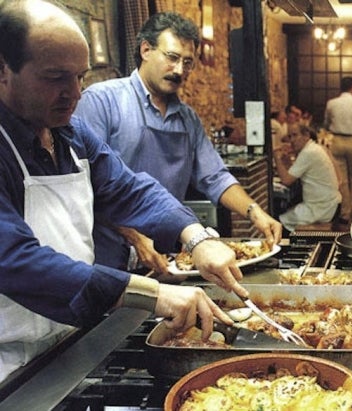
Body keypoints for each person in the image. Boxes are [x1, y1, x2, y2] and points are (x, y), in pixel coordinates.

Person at [0, 0, 244, 381]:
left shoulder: (71, 134)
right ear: (3, 70)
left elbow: (131, 189)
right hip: (8, 362)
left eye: (79, 77)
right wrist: (150, 294)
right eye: (55, 78)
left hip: (68, 340)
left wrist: (196, 238)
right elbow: (15, 260)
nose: (75, 93)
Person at [74, 12, 282, 276]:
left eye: (188, 62)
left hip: (165, 258)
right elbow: (86, 187)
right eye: (172, 58)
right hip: (105, 259)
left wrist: (254, 212)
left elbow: (215, 176)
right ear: (146, 50)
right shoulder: (101, 102)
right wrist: (134, 236)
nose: (179, 70)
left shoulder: (188, 119)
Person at [272, 124, 341, 233]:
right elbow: (293, 174)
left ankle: (289, 248)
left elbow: (286, 180)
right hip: (329, 203)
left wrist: (276, 156)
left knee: (277, 222)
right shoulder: (313, 148)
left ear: (306, 135)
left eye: (295, 135)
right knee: (288, 212)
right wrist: (286, 160)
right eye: (290, 137)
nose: (292, 140)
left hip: (321, 208)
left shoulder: (309, 152)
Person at [324, 76, 352, 224]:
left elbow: (326, 122)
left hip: (337, 139)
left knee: (341, 178)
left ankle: (344, 212)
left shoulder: (331, 103)